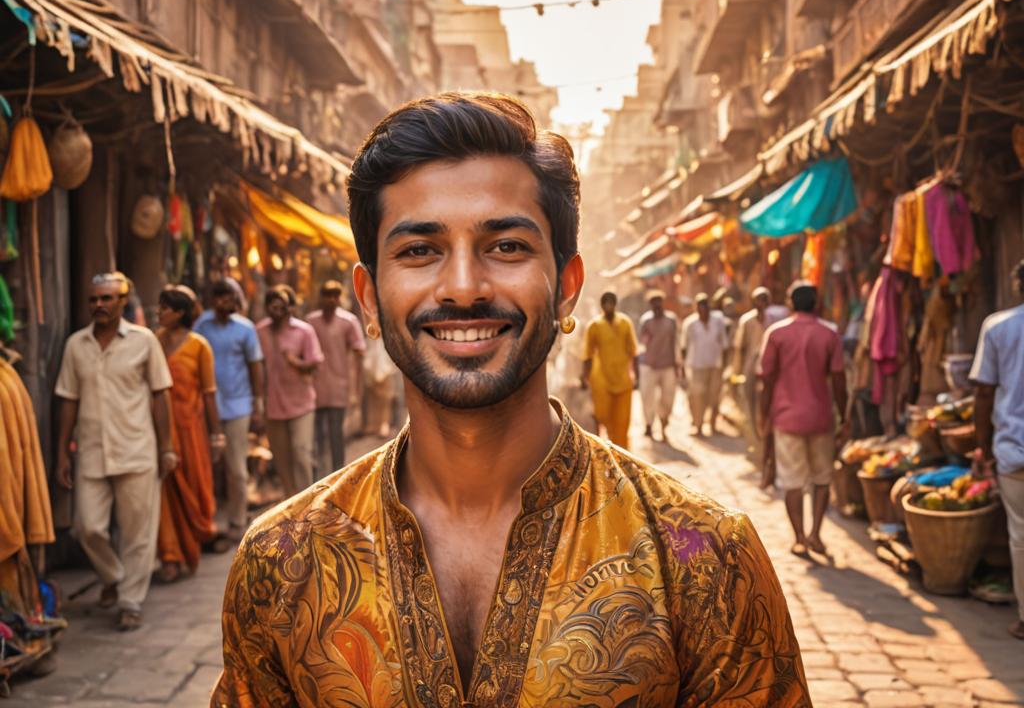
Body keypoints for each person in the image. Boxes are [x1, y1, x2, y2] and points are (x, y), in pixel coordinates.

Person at [213, 92, 808, 706]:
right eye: (420, 251)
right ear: (368, 298)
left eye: (506, 247)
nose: (464, 288)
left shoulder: (704, 558)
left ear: (567, 289)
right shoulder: (284, 559)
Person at [54, 272, 175, 631]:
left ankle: (130, 601)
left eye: (107, 298)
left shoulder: (144, 342)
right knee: (87, 526)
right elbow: (68, 400)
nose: (99, 305)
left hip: (136, 447)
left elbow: (160, 395)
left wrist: (167, 447)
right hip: (92, 449)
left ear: (123, 301)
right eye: (94, 299)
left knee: (138, 532)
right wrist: (62, 452)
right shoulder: (76, 345)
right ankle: (114, 575)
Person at [758, 281, 848, 558]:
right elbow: (839, 382)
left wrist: (763, 416)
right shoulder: (829, 334)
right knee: (822, 478)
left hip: (786, 419)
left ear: (790, 303)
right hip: (821, 417)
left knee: (793, 481)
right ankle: (816, 535)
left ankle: (799, 538)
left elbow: (767, 380)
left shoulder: (776, 334)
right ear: (817, 304)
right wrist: (844, 416)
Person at [154, 285, 225, 583]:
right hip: (160, 428)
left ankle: (196, 540)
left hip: (191, 428)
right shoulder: (153, 342)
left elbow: (209, 394)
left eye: (165, 309)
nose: (159, 313)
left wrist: (216, 434)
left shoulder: (199, 346)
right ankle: (170, 556)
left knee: (194, 489)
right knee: (165, 494)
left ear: (180, 313)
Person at [970, 259, 1024, 641]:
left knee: (1020, 537)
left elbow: (984, 391)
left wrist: (981, 444)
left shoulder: (999, 327)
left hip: (1014, 448)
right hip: (1011, 447)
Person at [194, 279, 264, 541]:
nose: (225, 301)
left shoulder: (246, 329)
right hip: (206, 407)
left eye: (230, 296)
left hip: (238, 405)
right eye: (220, 296)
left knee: (236, 467)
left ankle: (236, 521)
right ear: (213, 299)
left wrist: (258, 406)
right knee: (209, 468)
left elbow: (255, 366)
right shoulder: (202, 325)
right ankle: (208, 522)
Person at [257, 285, 324, 497]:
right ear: (266, 307)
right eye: (272, 305)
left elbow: (315, 363)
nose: (276, 309)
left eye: (281, 305)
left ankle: (307, 501)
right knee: (281, 458)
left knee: (301, 452)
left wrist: (295, 362)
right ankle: (290, 502)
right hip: (272, 404)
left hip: (301, 402)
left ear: (290, 307)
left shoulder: (304, 331)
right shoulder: (259, 331)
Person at [307, 280, 366, 475]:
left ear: (339, 298)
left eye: (335, 295)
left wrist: (356, 384)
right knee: (317, 435)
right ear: (320, 297)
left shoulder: (348, 321)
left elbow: (359, 350)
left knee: (336, 433)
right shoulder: (311, 321)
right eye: (327, 295)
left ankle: (338, 473)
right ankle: (319, 476)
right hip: (313, 385)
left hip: (338, 384)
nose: (331, 300)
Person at [582, 291, 638, 449]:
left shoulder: (625, 323)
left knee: (622, 421)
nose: (608, 306)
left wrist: (636, 375)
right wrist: (585, 377)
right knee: (602, 416)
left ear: (615, 304)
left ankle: (621, 454)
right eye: (605, 303)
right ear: (602, 306)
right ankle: (603, 450)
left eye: (611, 302)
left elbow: (633, 351)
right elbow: (588, 353)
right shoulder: (594, 326)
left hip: (623, 380)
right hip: (601, 381)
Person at [681, 292, 729, 436]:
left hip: (715, 364)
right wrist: (683, 368)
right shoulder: (689, 323)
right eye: (700, 306)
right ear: (696, 308)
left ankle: (713, 424)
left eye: (705, 305)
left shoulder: (718, 321)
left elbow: (724, 344)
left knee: (714, 396)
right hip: (696, 365)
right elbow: (684, 347)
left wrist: (725, 366)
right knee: (697, 396)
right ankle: (698, 424)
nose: (703, 309)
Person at [638, 288, 679, 440]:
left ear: (662, 303)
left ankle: (663, 423)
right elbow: (641, 345)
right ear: (650, 305)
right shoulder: (646, 321)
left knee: (668, 398)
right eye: (653, 303)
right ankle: (649, 425)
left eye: (659, 302)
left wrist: (678, 364)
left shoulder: (671, 320)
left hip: (668, 365)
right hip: (649, 366)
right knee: (647, 397)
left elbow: (676, 342)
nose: (657, 306)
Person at [732, 286, 772, 436]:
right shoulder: (747, 321)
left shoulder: (774, 320)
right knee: (749, 396)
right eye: (758, 300)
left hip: (769, 364)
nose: (761, 303)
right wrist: (737, 371)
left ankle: (765, 428)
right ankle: (754, 430)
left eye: (764, 300)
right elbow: (740, 347)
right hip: (751, 363)